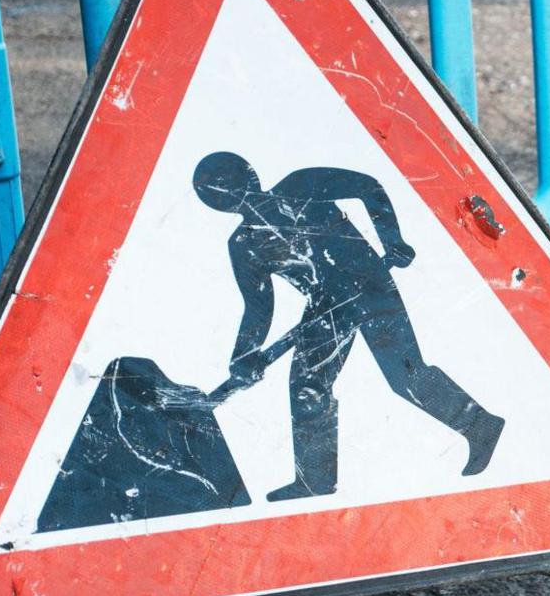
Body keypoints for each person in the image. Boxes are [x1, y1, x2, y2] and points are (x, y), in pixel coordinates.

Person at [192, 151, 503, 501]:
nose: (236, 195)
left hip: (369, 285)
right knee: (307, 386)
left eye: (234, 184)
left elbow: (367, 187)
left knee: (406, 375)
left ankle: (481, 426)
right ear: (216, 204)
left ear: (250, 176)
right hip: (325, 309)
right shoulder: (244, 245)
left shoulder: (299, 185)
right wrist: (244, 355)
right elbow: (258, 307)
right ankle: (315, 481)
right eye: (220, 193)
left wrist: (392, 240)